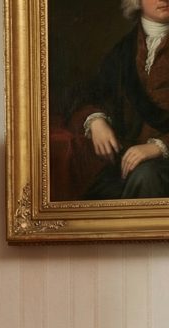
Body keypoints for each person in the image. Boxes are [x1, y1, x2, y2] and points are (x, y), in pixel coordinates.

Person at [65, 0, 169, 199]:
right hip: (128, 160)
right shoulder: (122, 52)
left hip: (161, 164)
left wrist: (159, 147)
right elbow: (88, 96)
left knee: (145, 178)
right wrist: (95, 120)